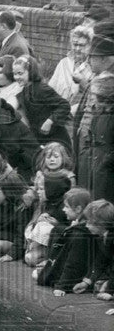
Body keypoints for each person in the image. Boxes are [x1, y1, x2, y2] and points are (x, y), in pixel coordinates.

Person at [72, 22, 114, 203]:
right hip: (87, 154)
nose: (88, 61)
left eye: (93, 57)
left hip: (102, 159)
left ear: (106, 59)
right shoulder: (96, 79)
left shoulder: (108, 85)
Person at [34, 188, 95, 294]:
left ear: (78, 209)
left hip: (77, 277)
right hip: (78, 273)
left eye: (67, 206)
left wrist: (62, 286)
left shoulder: (80, 234)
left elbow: (74, 262)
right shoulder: (78, 227)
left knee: (38, 274)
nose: (63, 210)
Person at [12, 55, 71, 150]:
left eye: (20, 73)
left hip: (57, 139)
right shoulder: (23, 91)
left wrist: (50, 121)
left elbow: (64, 105)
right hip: (41, 140)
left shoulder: (42, 89)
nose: (17, 77)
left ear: (30, 72)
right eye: (15, 74)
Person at [0, 88, 39, 180]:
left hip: (27, 158)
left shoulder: (3, 124)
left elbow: (13, 149)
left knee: (20, 184)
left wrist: (6, 169)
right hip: (22, 155)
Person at [48, 25, 92, 111]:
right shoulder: (63, 63)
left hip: (76, 115)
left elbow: (92, 94)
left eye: (82, 45)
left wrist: (82, 82)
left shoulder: (93, 68)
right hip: (56, 111)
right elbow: (50, 89)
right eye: (75, 44)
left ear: (89, 46)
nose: (77, 48)